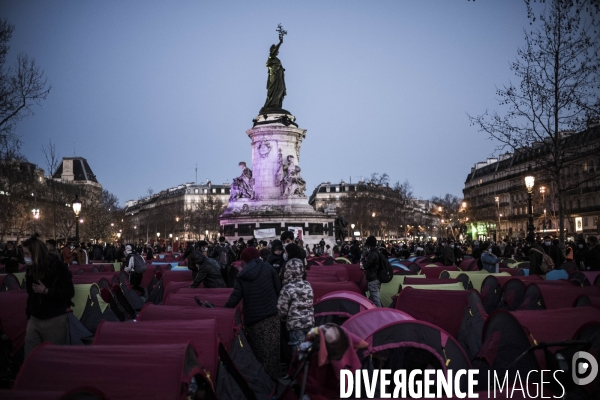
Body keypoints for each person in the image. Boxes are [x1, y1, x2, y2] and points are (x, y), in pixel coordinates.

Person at [225, 247, 281, 378]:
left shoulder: (242, 275)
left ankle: (262, 382)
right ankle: (275, 382)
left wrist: (223, 310)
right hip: (272, 315)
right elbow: (279, 290)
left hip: (253, 318)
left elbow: (235, 298)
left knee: (258, 352)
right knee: (272, 352)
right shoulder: (269, 268)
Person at [23, 234, 75, 358]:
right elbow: (31, 294)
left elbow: (69, 292)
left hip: (54, 318)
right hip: (35, 318)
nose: (25, 257)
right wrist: (29, 314)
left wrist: (47, 291)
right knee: (30, 356)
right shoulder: (31, 269)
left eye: (26, 254)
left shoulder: (57, 267)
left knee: (53, 357)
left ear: (35, 253)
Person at [277, 252, 314, 355]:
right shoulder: (307, 285)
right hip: (309, 322)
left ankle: (299, 369)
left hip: (295, 324)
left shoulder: (287, 288)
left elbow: (282, 309)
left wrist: (283, 317)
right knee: (309, 349)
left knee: (298, 350)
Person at [362, 236, 382, 307]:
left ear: (369, 245)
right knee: (373, 298)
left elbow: (365, 266)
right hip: (376, 278)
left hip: (373, 279)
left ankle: (381, 315)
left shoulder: (372, 253)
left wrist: (363, 258)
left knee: (376, 300)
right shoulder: (377, 252)